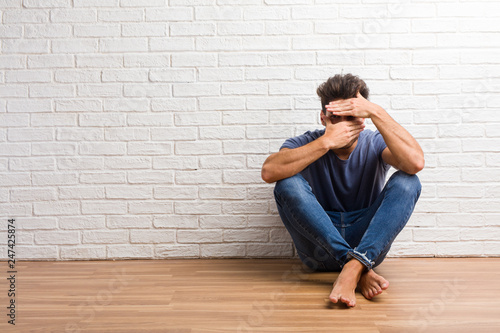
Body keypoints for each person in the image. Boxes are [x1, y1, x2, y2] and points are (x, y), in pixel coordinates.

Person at [261, 73, 424, 307]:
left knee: (409, 181)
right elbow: (268, 172)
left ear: (363, 119)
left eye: (352, 118)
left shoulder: (375, 142)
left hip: (367, 243)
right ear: (323, 118)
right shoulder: (308, 142)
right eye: (337, 118)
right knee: (286, 182)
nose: (344, 126)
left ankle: (353, 266)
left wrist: (377, 111)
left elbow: (415, 163)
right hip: (318, 247)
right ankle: (356, 265)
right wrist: (326, 142)